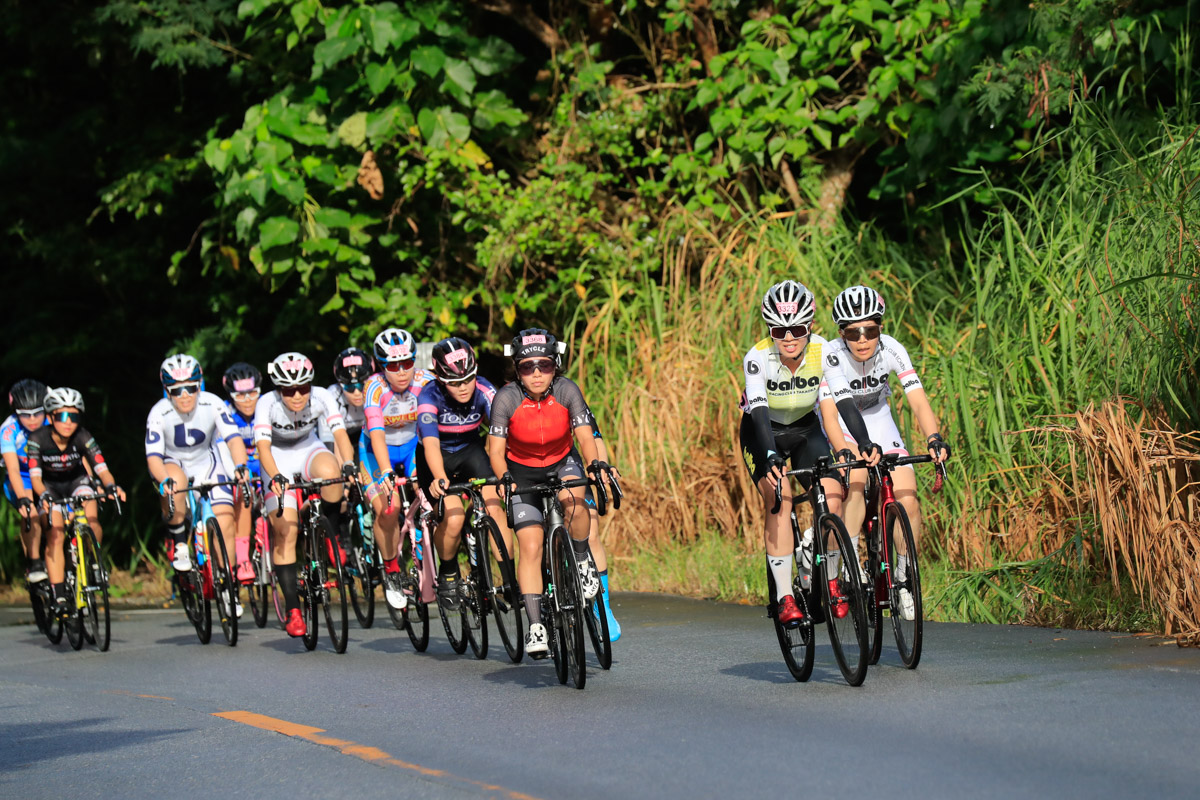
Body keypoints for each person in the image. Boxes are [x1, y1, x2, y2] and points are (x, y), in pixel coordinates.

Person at [740, 280, 880, 628]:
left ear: (810, 327)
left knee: (833, 495)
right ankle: (785, 596)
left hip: (804, 428)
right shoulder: (757, 357)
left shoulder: (822, 351)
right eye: (779, 330)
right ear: (770, 330)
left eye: (797, 329)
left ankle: (828, 576)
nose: (788, 338)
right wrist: (771, 455)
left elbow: (845, 403)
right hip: (763, 430)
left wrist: (862, 441)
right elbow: (758, 414)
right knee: (780, 496)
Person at [820, 285, 951, 619]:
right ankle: (848, 563)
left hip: (879, 421)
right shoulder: (830, 355)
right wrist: (847, 451)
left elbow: (918, 400)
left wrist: (934, 438)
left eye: (871, 330)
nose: (863, 340)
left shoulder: (892, 349)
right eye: (853, 332)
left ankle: (906, 577)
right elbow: (831, 415)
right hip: (844, 425)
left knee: (907, 494)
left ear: (880, 327)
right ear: (841, 333)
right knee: (858, 479)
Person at [487, 328, 606, 658]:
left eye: (544, 365)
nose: (536, 373)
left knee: (576, 503)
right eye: (527, 367)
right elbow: (495, 450)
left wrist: (595, 462)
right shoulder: (507, 398)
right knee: (530, 544)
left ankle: (581, 560)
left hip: (562, 461)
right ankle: (536, 625)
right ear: (517, 369)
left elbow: (584, 435)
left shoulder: (567, 390)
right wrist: (505, 477)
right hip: (521, 471)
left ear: (555, 365)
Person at [255, 352, 357, 637]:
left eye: (303, 388)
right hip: (276, 457)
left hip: (307, 448)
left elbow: (340, 436)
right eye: (289, 390)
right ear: (279, 389)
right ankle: (293, 610)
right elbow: (262, 448)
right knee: (286, 530)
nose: (298, 395)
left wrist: (348, 464)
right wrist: (275, 476)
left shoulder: (322, 396)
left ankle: (331, 533)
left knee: (332, 472)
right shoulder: (267, 403)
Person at [146, 355, 251, 606]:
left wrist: (240, 466)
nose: (184, 395)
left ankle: (228, 582)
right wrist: (164, 480)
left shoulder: (212, 403)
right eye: (176, 390)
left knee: (225, 520)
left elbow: (233, 439)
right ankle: (179, 539)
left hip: (206, 460)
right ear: (166, 391)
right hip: (173, 463)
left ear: (199, 385)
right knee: (174, 481)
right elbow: (153, 458)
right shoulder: (159, 412)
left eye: (190, 388)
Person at [415, 337, 504, 610]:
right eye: (455, 383)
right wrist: (440, 477)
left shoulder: (485, 390)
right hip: (437, 457)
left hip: (470, 451)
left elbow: (502, 434)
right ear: (441, 380)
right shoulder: (429, 396)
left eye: (468, 380)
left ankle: (509, 578)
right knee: (453, 518)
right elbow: (430, 444)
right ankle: (449, 572)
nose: (463, 387)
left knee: (495, 506)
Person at [26, 387, 126, 618]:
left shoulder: (83, 436)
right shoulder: (37, 439)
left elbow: (101, 467)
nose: (69, 422)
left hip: (76, 481)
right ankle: (59, 593)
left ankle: (93, 561)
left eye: (74, 416)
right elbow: (35, 478)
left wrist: (110, 485)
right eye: (62, 416)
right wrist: (44, 495)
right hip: (49, 487)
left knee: (91, 516)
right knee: (56, 533)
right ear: (51, 417)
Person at [360, 328, 434, 611]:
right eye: (393, 365)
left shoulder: (426, 381)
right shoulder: (374, 387)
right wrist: (386, 472)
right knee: (388, 509)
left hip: (412, 446)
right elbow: (376, 434)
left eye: (407, 363)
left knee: (430, 496)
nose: (402, 371)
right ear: (381, 366)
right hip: (377, 452)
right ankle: (391, 570)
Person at [2, 379, 49, 583]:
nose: (32, 420)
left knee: (55, 516)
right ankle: (35, 561)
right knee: (31, 512)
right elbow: (12, 468)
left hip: (49, 474)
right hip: (23, 478)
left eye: (37, 413)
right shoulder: (8, 429)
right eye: (24, 415)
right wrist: (22, 498)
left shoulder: (54, 420)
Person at [221, 362, 263, 580]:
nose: (248, 400)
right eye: (240, 396)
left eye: (252, 393)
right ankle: (243, 559)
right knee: (243, 498)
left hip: (263, 465)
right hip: (240, 469)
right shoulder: (225, 413)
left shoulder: (266, 407)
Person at [319, 347, 371, 453]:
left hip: (366, 436)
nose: (357, 392)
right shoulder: (331, 396)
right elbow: (329, 444)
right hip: (340, 438)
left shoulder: (377, 390)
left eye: (361, 386)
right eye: (350, 387)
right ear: (340, 385)